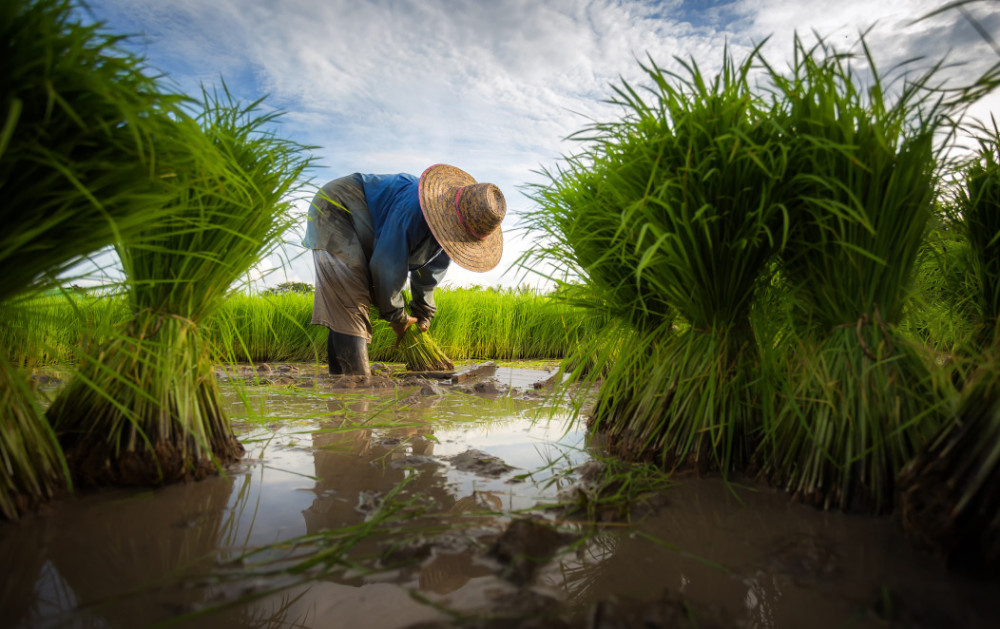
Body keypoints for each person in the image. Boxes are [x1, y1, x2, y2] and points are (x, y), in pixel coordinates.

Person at [302, 164, 506, 375]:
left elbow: (429, 275)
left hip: (365, 228)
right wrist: (397, 317)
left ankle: (340, 382)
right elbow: (386, 264)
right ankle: (355, 385)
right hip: (336, 207)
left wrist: (423, 315)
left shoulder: (449, 238)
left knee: (350, 305)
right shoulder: (413, 208)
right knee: (352, 298)